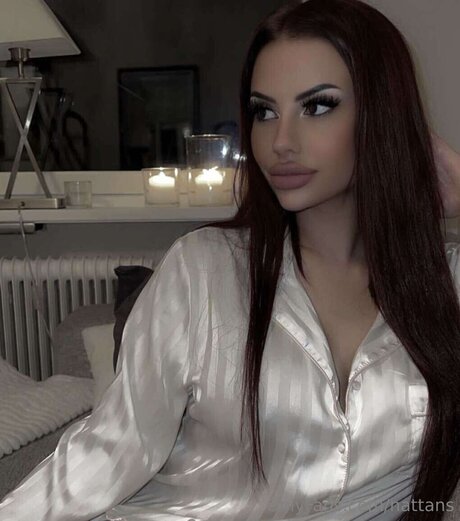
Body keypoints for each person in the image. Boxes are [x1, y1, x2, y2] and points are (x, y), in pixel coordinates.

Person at [2, 0, 460, 519]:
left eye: (317, 106)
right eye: (264, 111)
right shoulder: (203, 270)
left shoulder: (444, 283)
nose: (280, 142)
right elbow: (110, 449)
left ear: (382, 114)